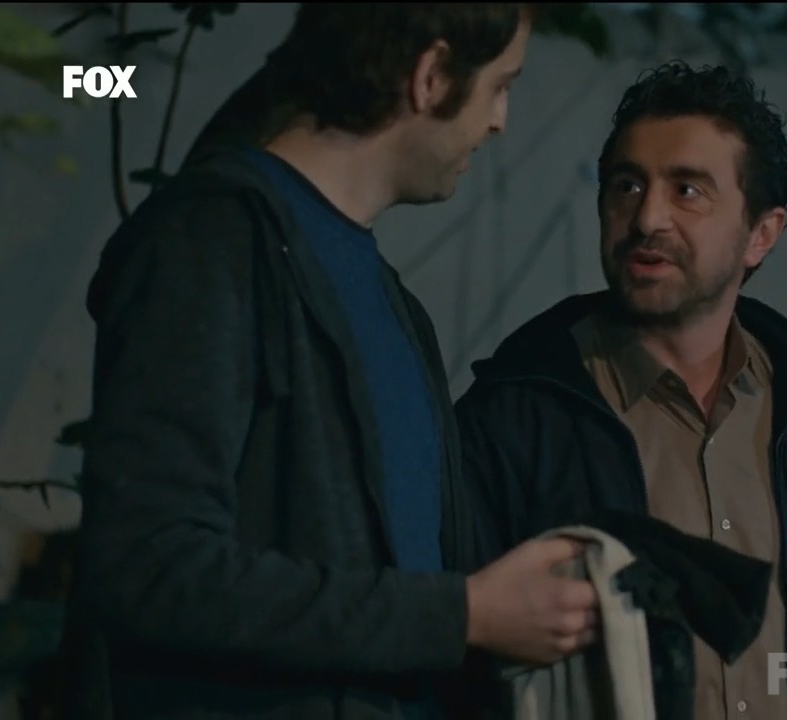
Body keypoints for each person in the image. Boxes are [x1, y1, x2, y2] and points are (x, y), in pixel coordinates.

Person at [64, 5, 599, 719]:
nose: (500, 121)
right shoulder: (212, 244)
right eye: (500, 86)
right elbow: (149, 567)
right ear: (432, 76)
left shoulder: (397, 310)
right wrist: (463, 614)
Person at [455, 61, 787, 719]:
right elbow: (462, 672)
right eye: (627, 185)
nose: (647, 218)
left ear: (761, 234)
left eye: (687, 190)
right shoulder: (517, 418)